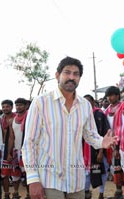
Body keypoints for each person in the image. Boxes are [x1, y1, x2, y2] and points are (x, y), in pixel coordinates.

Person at [22, 56, 117, 199]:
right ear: (57, 75)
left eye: (76, 74)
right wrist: (33, 178)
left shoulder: (85, 105)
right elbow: (29, 143)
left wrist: (101, 142)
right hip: (49, 178)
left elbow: (90, 134)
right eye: (67, 72)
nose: (71, 77)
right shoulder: (41, 102)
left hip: (76, 179)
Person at [83, 94, 110, 199]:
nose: (86, 104)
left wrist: (100, 152)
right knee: (86, 173)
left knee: (101, 171)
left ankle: (101, 194)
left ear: (93, 102)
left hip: (97, 151)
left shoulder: (99, 115)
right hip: (85, 152)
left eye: (88, 102)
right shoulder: (81, 114)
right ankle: (86, 193)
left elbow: (104, 134)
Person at [7, 98, 30, 199]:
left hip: (28, 151)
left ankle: (29, 194)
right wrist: (9, 153)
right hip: (16, 151)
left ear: (26, 106)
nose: (18, 107)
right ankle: (16, 193)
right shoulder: (12, 120)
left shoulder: (30, 117)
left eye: (21, 105)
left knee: (28, 174)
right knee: (15, 174)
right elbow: (12, 137)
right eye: (17, 105)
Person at [0, 99, 17, 199]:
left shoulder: (17, 118)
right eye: (3, 107)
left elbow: (13, 136)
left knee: (16, 173)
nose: (5, 108)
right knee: (4, 174)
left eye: (7, 106)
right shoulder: (0, 119)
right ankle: (6, 194)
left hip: (15, 149)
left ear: (11, 107)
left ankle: (16, 193)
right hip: (4, 149)